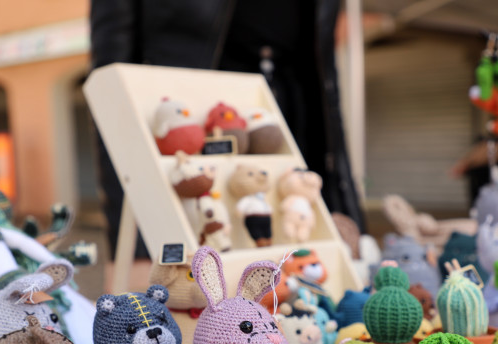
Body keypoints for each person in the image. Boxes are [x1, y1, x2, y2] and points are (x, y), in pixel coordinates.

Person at [90, 0, 365, 257]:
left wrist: (346, 210)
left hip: (298, 140)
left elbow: (326, 84)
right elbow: (109, 94)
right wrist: (136, 248)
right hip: (186, 147)